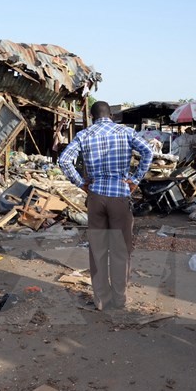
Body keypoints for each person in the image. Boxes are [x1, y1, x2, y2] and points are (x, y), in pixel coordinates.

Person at [58, 101, 153, 310]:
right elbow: (148, 152)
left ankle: (101, 300)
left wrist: (81, 183)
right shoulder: (126, 132)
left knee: (98, 250)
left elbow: (64, 160)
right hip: (120, 195)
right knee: (120, 251)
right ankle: (120, 300)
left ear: (92, 117)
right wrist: (136, 179)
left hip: (96, 196)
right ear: (111, 115)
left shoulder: (85, 134)